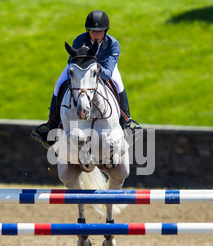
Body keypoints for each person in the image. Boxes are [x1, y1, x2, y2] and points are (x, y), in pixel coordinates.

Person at [32, 10, 141, 149]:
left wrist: (96, 69)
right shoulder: (80, 40)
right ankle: (51, 125)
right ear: (88, 30)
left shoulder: (113, 44)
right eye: (93, 31)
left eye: (99, 31)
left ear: (105, 31)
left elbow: (107, 73)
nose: (96, 34)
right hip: (81, 69)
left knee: (118, 84)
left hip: (105, 69)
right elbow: (74, 61)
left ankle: (127, 122)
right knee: (59, 84)